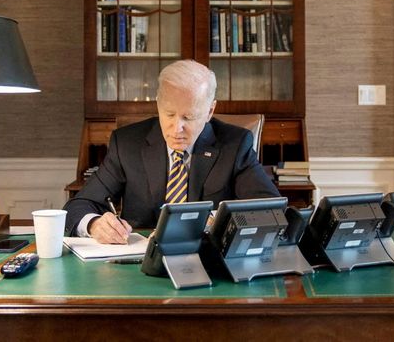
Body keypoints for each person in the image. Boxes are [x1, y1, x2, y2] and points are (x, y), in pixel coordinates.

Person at [64, 59, 279, 243]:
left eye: (189, 117)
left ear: (210, 111)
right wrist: (93, 224)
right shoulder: (127, 143)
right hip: (139, 262)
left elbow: (270, 209)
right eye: (169, 114)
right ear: (158, 104)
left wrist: (215, 219)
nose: (177, 129)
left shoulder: (235, 144)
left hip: (206, 259)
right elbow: (77, 207)